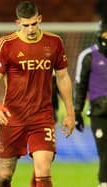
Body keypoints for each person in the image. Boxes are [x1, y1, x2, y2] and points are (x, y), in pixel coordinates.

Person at [0, 1, 75, 187]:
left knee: (43, 170)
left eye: (34, 23)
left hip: (42, 117)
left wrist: (70, 112)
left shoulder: (54, 42)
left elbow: (63, 78)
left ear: (40, 19)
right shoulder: (6, 44)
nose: (30, 29)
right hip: (12, 117)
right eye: (26, 25)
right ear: (18, 23)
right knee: (4, 175)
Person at [74, 20, 107, 187]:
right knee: (105, 153)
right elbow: (80, 84)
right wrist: (77, 112)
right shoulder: (88, 56)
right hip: (99, 113)